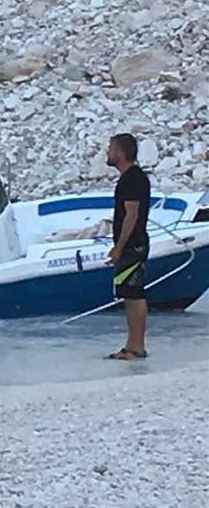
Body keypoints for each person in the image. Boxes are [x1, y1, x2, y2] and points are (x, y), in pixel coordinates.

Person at [106, 132, 151, 360]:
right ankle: (131, 345)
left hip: (133, 245)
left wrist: (118, 247)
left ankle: (137, 348)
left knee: (134, 296)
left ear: (121, 152)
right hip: (130, 245)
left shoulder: (132, 179)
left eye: (111, 148)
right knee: (129, 295)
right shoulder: (131, 178)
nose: (107, 152)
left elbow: (131, 216)